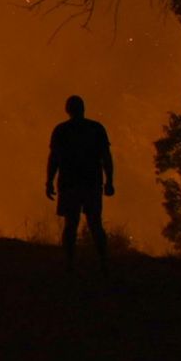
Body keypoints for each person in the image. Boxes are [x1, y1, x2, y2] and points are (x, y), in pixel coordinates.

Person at [45, 95, 115, 272]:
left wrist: (49, 181)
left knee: (71, 224)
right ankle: (103, 262)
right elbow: (106, 158)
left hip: (69, 183)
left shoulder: (61, 130)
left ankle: (69, 263)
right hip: (92, 182)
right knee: (95, 224)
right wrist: (109, 181)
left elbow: (54, 159)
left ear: (67, 110)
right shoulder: (96, 128)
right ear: (83, 108)